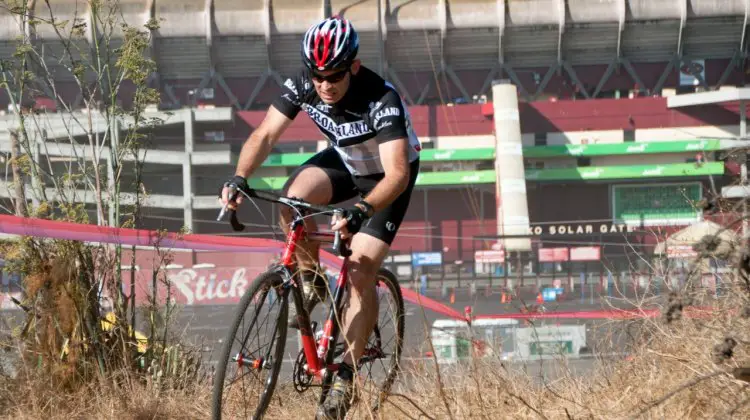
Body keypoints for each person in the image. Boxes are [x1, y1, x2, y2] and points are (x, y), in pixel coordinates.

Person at [219, 16, 421, 420]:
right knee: (291, 202)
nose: (325, 85)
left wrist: (361, 210)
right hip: (347, 162)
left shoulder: (380, 98)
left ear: (354, 67)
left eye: (334, 76)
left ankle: (345, 376)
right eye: (317, 76)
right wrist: (240, 178)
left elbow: (397, 173)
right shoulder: (304, 84)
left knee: (361, 269)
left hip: (387, 177)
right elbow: (266, 135)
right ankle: (310, 282)